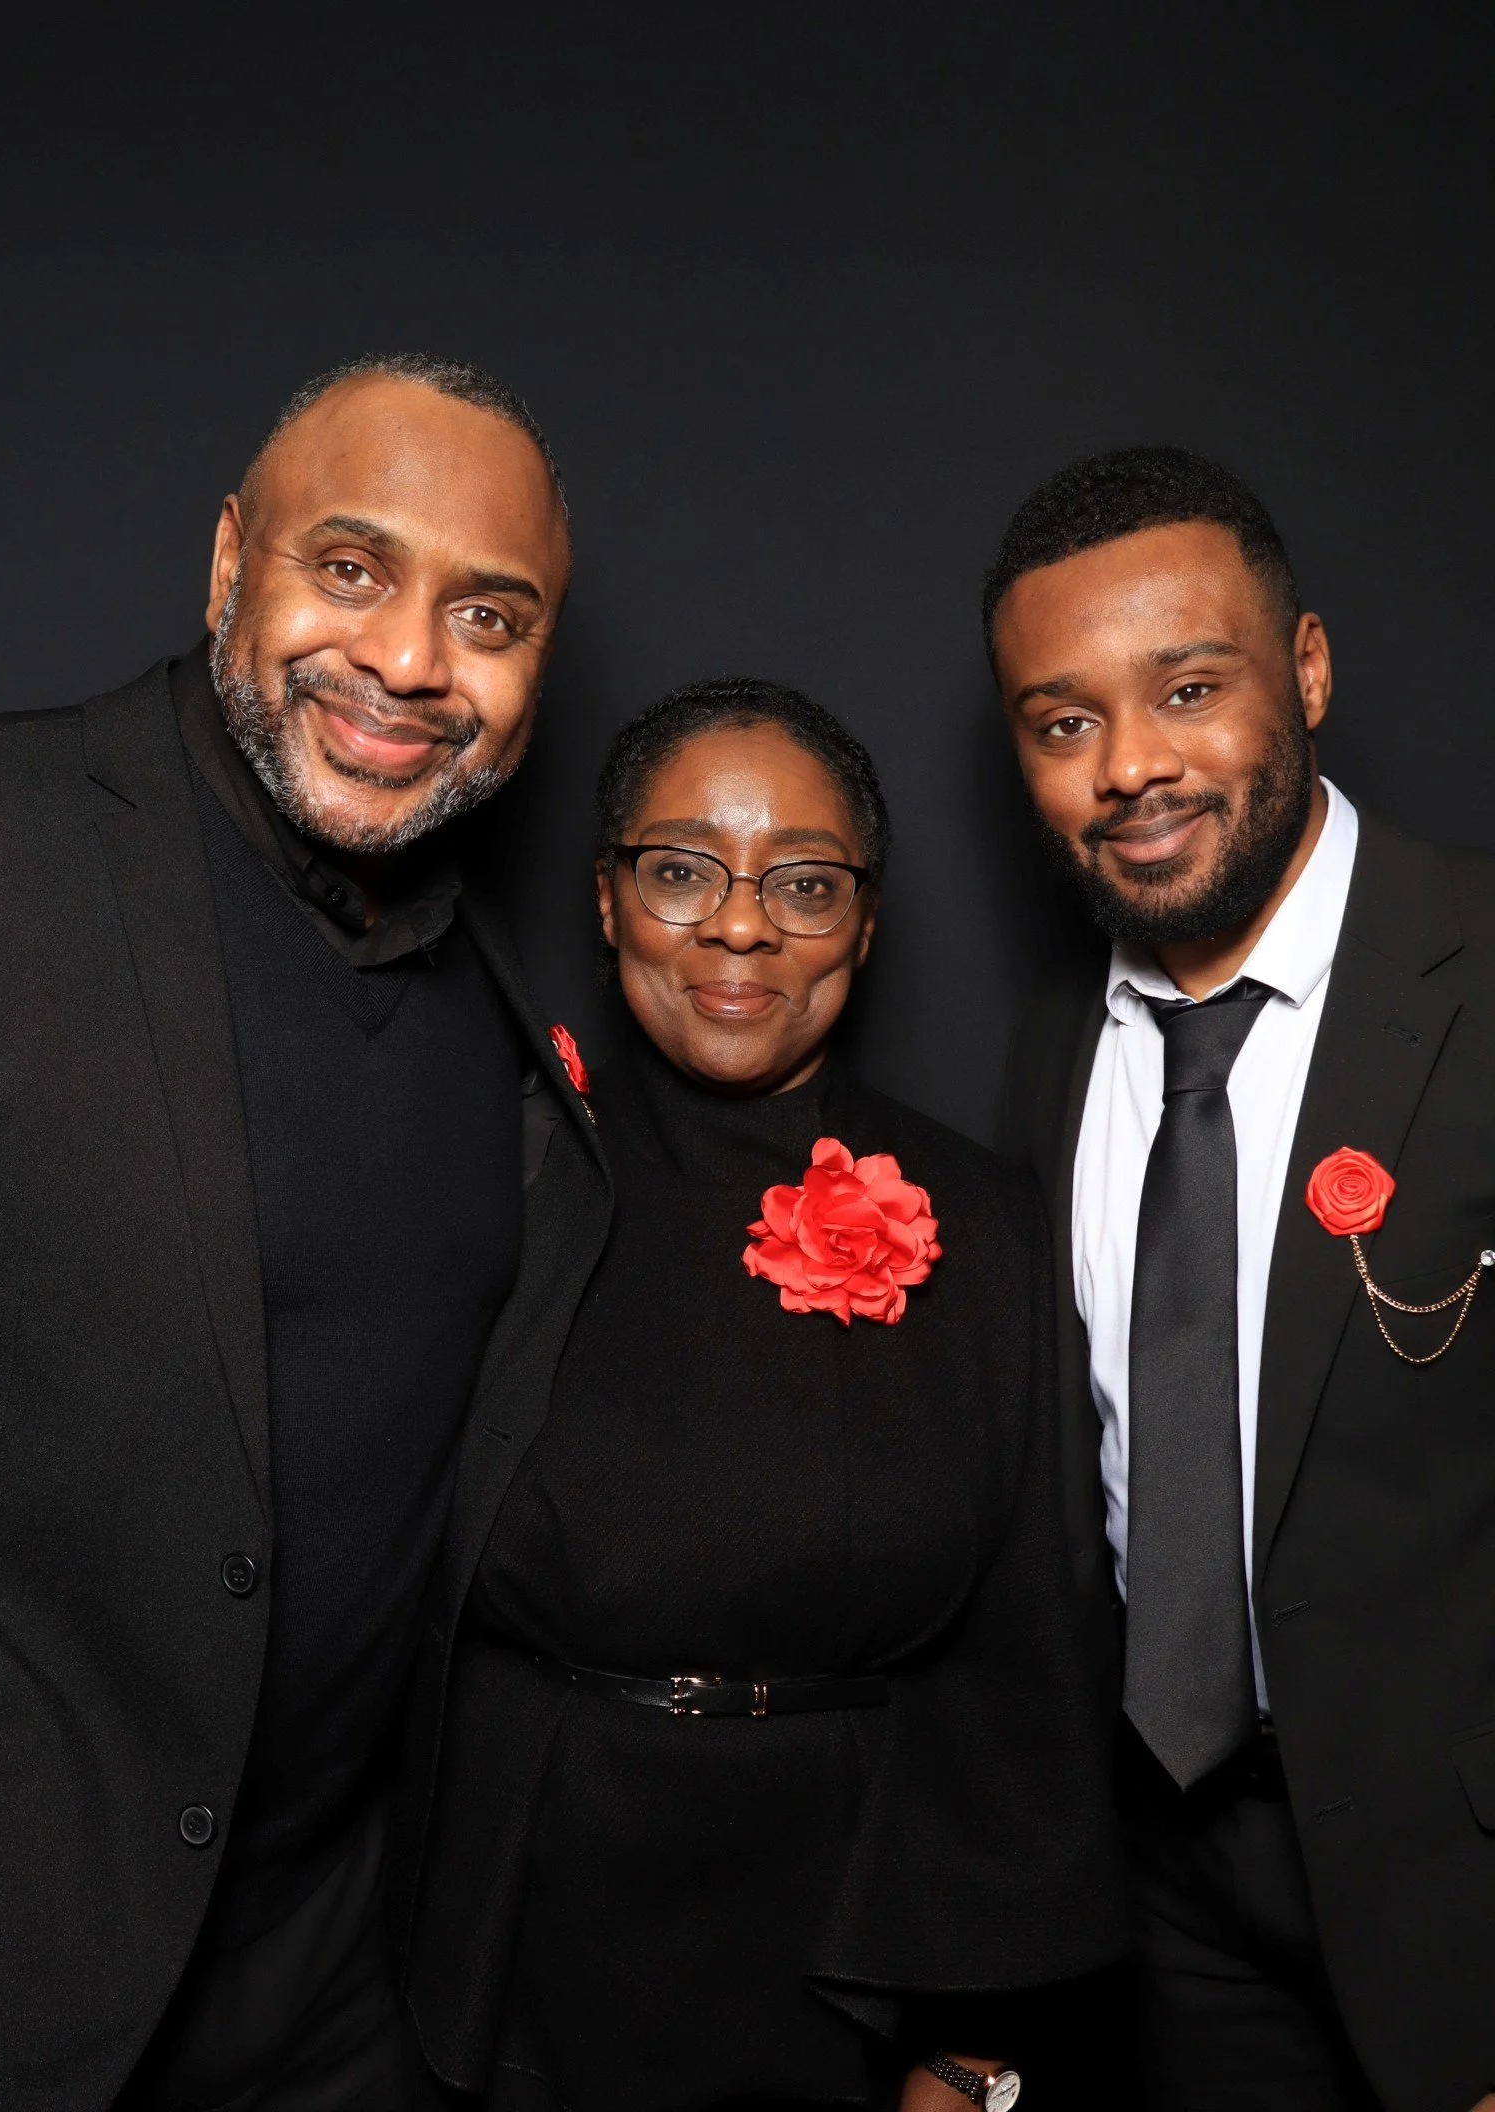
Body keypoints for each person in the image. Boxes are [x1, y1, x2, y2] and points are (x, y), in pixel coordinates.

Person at [0, 354, 583, 2110]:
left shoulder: (511, 1008)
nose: (412, 661)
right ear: (228, 564)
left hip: (343, 2007)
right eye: (351, 570)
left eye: (487, 613)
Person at [400, 677, 1125, 2112]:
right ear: (607, 904)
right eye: (680, 871)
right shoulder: (488, 1178)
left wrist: (969, 2050)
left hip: (843, 1949)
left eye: (804, 884)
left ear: (865, 920)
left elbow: (1030, 1657)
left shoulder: (979, 1221)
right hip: (510, 1937)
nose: (740, 926)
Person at [992, 447, 1495, 2112]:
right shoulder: (1053, 1046)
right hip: (1163, 1887)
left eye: (1188, 688)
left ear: (1311, 671)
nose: (1130, 766)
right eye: (1064, 723)